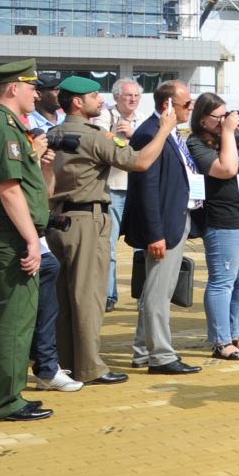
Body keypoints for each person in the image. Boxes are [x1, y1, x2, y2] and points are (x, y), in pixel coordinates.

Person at [46, 77, 173, 386]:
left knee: (62, 299)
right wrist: (165, 129)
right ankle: (90, 367)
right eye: (92, 96)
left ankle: (65, 363)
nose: (99, 101)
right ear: (77, 102)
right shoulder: (94, 137)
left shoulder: (53, 133)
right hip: (87, 221)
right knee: (88, 296)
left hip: (57, 221)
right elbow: (140, 162)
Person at [0, 61, 58, 420]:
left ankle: (9, 393)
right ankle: (4, 401)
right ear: (12, 89)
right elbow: (9, 190)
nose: (37, 92)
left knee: (18, 317)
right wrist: (32, 239)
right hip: (10, 236)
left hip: (12, 233)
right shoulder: (1, 128)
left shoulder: (8, 127)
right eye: (30, 85)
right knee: (11, 319)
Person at [123, 80, 204, 377]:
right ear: (167, 105)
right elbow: (147, 189)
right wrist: (154, 233)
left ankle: (143, 351)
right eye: (186, 104)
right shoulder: (149, 133)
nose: (191, 108)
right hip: (162, 226)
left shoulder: (169, 133)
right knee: (158, 293)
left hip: (176, 217)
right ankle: (161, 355)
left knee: (156, 290)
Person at [186, 92, 239, 361]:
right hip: (223, 221)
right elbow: (227, 169)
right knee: (223, 282)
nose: (223, 120)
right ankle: (221, 341)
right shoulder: (197, 142)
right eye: (217, 116)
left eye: (226, 114)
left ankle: (235, 333)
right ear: (202, 118)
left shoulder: (235, 136)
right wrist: (230, 132)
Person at [101, 77, 145, 310]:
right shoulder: (105, 117)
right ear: (116, 97)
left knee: (142, 246)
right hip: (113, 188)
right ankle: (109, 294)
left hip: (137, 189)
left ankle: (142, 294)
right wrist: (124, 138)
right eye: (128, 95)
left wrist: (132, 136)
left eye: (136, 96)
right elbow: (101, 144)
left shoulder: (142, 121)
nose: (132, 99)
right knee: (109, 245)